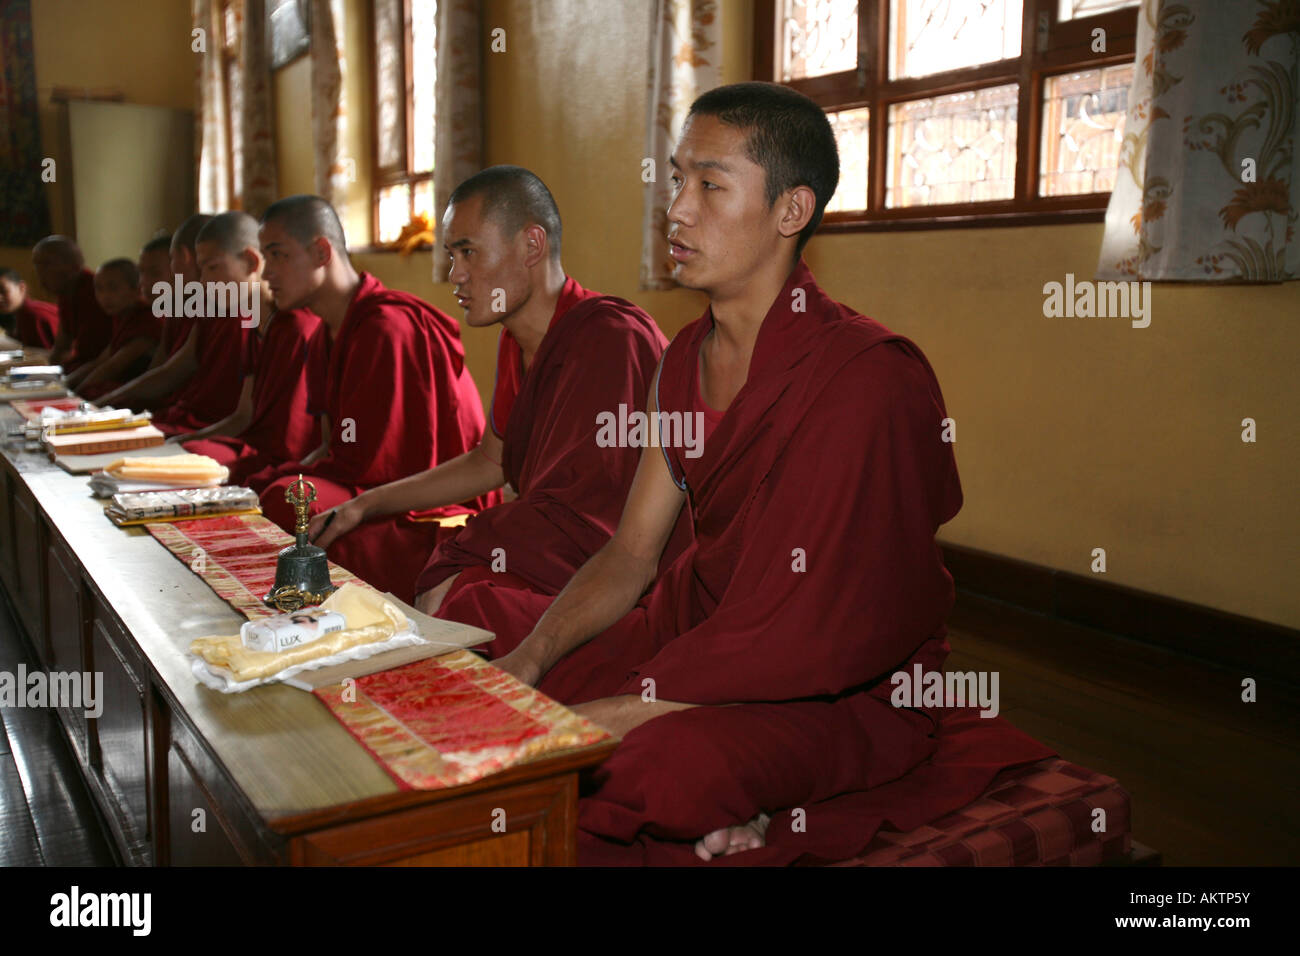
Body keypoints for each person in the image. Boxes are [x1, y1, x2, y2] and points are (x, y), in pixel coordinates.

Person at [469, 82, 1051, 865]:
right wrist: (532, 660)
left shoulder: (865, 377)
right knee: (533, 681)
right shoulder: (678, 363)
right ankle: (727, 792)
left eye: (709, 185)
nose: (676, 210)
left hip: (841, 685)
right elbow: (633, 553)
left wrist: (625, 713)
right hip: (706, 637)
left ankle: (743, 792)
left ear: (791, 210)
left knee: (630, 763)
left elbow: (828, 628)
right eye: (677, 180)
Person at [307, 166, 686, 609]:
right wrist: (364, 505)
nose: (456, 275)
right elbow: (490, 461)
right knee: (383, 554)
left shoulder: (609, 338)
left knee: (465, 594)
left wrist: (486, 540)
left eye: (468, 252)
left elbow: (597, 517)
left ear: (531, 245)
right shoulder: (517, 338)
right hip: (547, 542)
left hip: (613, 567)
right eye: (452, 256)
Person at [251, 195, 496, 596]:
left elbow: (387, 465)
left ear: (320, 252)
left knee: (289, 501)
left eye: (277, 255)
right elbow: (334, 447)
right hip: (364, 487)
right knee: (279, 491)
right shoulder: (324, 333)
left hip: (422, 501)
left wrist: (287, 481)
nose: (268, 273)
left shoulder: (386, 327)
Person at [177, 212, 325, 485]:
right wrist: (178, 442)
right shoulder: (252, 324)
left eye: (212, 268)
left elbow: (293, 440)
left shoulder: (297, 328)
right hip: (253, 446)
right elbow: (243, 415)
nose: (203, 283)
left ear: (250, 262)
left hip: (283, 458)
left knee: (195, 459)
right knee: (189, 452)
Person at [71, 258, 162, 400]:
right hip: (123, 384)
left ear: (136, 290)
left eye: (113, 288)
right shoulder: (123, 316)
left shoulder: (148, 319)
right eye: (99, 289)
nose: (105, 296)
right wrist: (65, 384)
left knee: (93, 392)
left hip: (140, 391)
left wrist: (74, 395)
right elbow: (101, 361)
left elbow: (113, 366)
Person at [32, 235, 111, 371]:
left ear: (74, 266)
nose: (40, 273)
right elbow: (61, 346)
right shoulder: (66, 294)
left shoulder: (96, 292)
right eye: (36, 266)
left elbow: (90, 355)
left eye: (46, 264)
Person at [0, 267, 60, 349]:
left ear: (22, 288)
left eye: (3, 291)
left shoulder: (32, 314)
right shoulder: (19, 315)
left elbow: (44, 358)